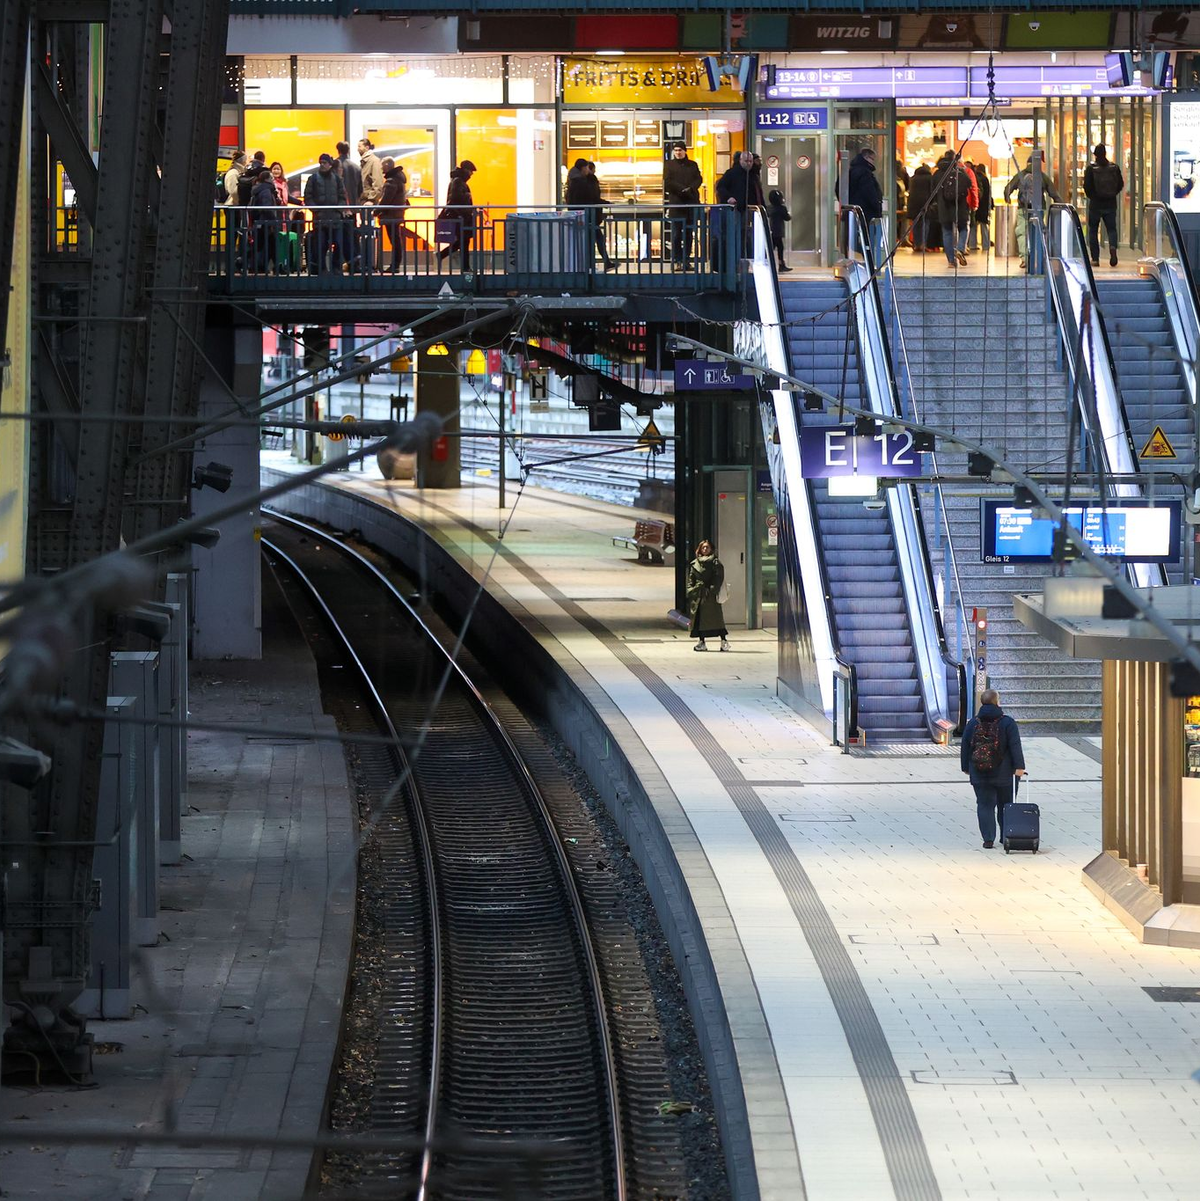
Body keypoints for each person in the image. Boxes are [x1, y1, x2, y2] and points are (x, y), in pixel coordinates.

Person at [961, 688, 1026, 848]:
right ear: (997, 702)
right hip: (1005, 774)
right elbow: (1015, 745)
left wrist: (966, 767)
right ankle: (1005, 837)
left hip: (979, 772)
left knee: (984, 805)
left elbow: (965, 746)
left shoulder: (972, 723)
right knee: (1006, 805)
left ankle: (988, 839)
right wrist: (1019, 767)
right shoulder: (1007, 722)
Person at [1004, 158, 1061, 270]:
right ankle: (1040, 257)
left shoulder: (1020, 175)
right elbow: (1053, 193)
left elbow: (1008, 188)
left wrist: (1007, 198)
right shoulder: (1043, 176)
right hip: (1039, 208)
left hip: (1023, 208)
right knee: (1039, 231)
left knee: (1022, 232)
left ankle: (1025, 259)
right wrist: (1060, 203)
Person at [303, 152, 348, 274]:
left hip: (334, 218)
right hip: (320, 219)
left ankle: (336, 268)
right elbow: (308, 197)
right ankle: (322, 269)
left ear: (330, 164)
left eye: (325, 162)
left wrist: (338, 210)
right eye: (321, 162)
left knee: (338, 244)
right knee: (320, 246)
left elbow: (342, 197)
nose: (322, 165)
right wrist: (317, 210)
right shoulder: (313, 179)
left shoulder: (337, 179)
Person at [566, 160, 614, 271]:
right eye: (587, 168)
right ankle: (591, 267)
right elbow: (590, 198)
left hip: (583, 215)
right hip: (587, 216)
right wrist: (604, 203)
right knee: (593, 241)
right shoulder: (582, 182)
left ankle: (599, 264)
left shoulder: (574, 180)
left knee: (594, 240)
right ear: (584, 168)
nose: (589, 170)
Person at [1083, 144, 1124, 268]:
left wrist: (1094, 197)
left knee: (1093, 230)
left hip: (1095, 204)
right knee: (1111, 229)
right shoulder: (1114, 168)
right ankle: (1112, 248)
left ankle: (1095, 259)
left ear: (1095, 155)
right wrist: (1111, 195)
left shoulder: (1091, 169)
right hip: (1110, 204)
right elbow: (1120, 184)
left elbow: (1087, 187)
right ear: (1105, 153)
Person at [663, 142, 703, 268]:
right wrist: (683, 189)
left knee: (688, 234)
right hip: (677, 204)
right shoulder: (669, 165)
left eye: (680, 150)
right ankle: (677, 260)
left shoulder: (693, 165)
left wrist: (690, 189)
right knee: (676, 234)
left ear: (685, 151)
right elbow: (667, 182)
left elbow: (698, 179)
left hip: (690, 204)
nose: (678, 152)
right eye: (675, 150)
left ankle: (686, 259)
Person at [687, 540, 729, 652]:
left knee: (717, 620)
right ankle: (701, 642)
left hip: (710, 596)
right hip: (699, 596)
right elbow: (691, 579)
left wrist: (712, 590)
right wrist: (692, 589)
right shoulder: (695, 563)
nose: (705, 549)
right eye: (703, 548)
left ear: (711, 549)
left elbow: (718, 578)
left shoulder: (715, 563)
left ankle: (724, 641)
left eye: (707, 547)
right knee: (699, 620)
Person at [437, 160, 477, 270]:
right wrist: (467, 195)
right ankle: (464, 267)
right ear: (465, 170)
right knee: (463, 241)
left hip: (460, 216)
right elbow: (455, 198)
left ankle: (464, 266)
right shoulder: (458, 182)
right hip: (459, 217)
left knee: (463, 242)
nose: (471, 174)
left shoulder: (458, 181)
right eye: (470, 171)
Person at [933, 151, 970, 268]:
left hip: (944, 207)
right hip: (959, 206)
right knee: (964, 228)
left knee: (947, 232)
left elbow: (932, 191)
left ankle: (951, 261)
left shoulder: (937, 174)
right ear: (956, 159)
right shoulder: (960, 171)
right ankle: (960, 248)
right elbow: (969, 184)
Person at [379, 156, 408, 272]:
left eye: (382, 165)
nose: (381, 168)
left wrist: (376, 211)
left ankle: (395, 265)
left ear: (387, 165)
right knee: (396, 239)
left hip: (391, 215)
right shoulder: (399, 179)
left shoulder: (391, 181)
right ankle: (395, 264)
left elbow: (386, 199)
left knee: (394, 240)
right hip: (396, 214)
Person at [247, 168, 279, 273]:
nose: (273, 179)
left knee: (264, 244)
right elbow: (267, 207)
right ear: (267, 179)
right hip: (266, 222)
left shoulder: (259, 189)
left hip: (260, 222)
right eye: (272, 178)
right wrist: (274, 220)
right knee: (265, 244)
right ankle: (258, 266)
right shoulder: (266, 190)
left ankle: (274, 267)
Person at [846, 146, 883, 220]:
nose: (873, 161)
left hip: (853, 212)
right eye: (872, 159)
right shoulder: (865, 173)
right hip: (865, 213)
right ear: (866, 158)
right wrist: (877, 208)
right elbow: (869, 192)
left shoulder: (850, 171)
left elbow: (839, 188)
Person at [906, 162, 933, 251]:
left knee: (916, 224)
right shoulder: (929, 178)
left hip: (913, 203)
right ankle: (923, 244)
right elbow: (932, 191)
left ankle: (916, 244)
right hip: (925, 203)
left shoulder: (913, 178)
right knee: (925, 224)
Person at [968, 162, 992, 253]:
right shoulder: (985, 179)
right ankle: (986, 245)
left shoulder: (974, 178)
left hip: (975, 205)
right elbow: (988, 194)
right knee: (984, 226)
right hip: (984, 206)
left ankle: (972, 245)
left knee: (973, 226)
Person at [767, 189, 791, 272]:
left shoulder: (769, 207)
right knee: (780, 248)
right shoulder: (782, 208)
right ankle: (781, 265)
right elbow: (787, 218)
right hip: (778, 231)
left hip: (771, 231)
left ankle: (769, 263)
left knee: (772, 247)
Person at [335, 141, 361, 214]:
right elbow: (360, 189)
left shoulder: (334, 166)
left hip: (338, 206)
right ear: (348, 150)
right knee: (352, 224)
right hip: (353, 205)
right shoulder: (356, 168)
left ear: (338, 150)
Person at [358, 137, 383, 204]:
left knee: (367, 214)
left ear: (367, 147)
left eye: (359, 146)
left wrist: (372, 199)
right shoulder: (365, 161)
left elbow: (378, 183)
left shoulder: (374, 161)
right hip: (364, 200)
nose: (358, 149)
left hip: (369, 202)